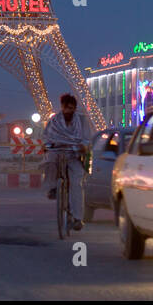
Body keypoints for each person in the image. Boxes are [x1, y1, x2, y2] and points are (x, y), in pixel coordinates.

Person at [42, 93, 92, 230]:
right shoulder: (55, 121)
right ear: (62, 107)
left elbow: (87, 138)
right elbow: (47, 137)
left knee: (76, 184)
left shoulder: (81, 121)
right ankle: (52, 188)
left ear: (75, 108)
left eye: (71, 108)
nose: (68, 111)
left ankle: (77, 218)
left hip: (74, 154)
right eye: (66, 108)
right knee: (49, 162)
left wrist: (83, 146)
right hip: (57, 152)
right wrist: (46, 145)